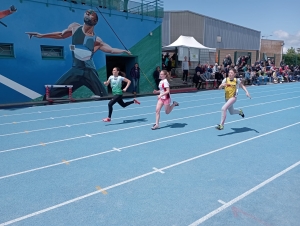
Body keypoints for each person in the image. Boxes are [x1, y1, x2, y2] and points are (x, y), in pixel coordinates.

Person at [26, 9, 131, 100]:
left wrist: (124, 51)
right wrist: (41, 35)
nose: (88, 14)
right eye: (87, 13)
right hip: (76, 70)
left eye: (90, 14)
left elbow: (111, 50)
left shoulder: (97, 40)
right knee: (50, 94)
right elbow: (61, 35)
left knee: (103, 96)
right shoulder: (75, 27)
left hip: (89, 72)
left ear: (94, 21)